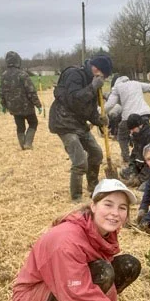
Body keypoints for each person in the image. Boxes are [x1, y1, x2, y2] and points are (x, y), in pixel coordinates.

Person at [12, 178, 150, 301]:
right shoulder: (66, 240)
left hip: (66, 289)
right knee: (102, 271)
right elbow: (77, 297)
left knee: (128, 265)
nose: (115, 213)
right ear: (93, 206)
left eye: (122, 208)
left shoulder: (103, 232)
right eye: (108, 205)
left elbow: (104, 286)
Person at [49, 55, 113, 201]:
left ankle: (93, 186)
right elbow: (74, 100)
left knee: (96, 153)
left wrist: (99, 119)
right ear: (96, 69)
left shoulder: (94, 81)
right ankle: (76, 197)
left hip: (79, 123)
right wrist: (92, 87)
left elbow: (88, 109)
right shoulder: (74, 75)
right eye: (104, 76)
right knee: (80, 161)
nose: (103, 80)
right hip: (64, 122)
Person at [104, 75, 150, 164]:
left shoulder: (117, 87)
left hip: (129, 117)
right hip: (144, 114)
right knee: (147, 134)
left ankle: (126, 158)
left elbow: (110, 105)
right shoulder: (136, 83)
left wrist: (99, 113)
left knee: (122, 135)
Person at [0, 51, 42, 150]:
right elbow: (31, 91)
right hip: (26, 106)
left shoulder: (3, 76)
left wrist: (4, 105)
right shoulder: (23, 74)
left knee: (20, 126)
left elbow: (1, 92)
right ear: (18, 61)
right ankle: (28, 143)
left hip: (13, 107)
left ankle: (23, 145)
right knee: (33, 123)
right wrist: (38, 105)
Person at [120, 114, 150, 189]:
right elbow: (135, 153)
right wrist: (132, 168)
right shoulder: (137, 134)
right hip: (143, 166)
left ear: (140, 125)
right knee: (124, 174)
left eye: (133, 129)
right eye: (130, 130)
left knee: (142, 189)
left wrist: (139, 179)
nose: (131, 132)